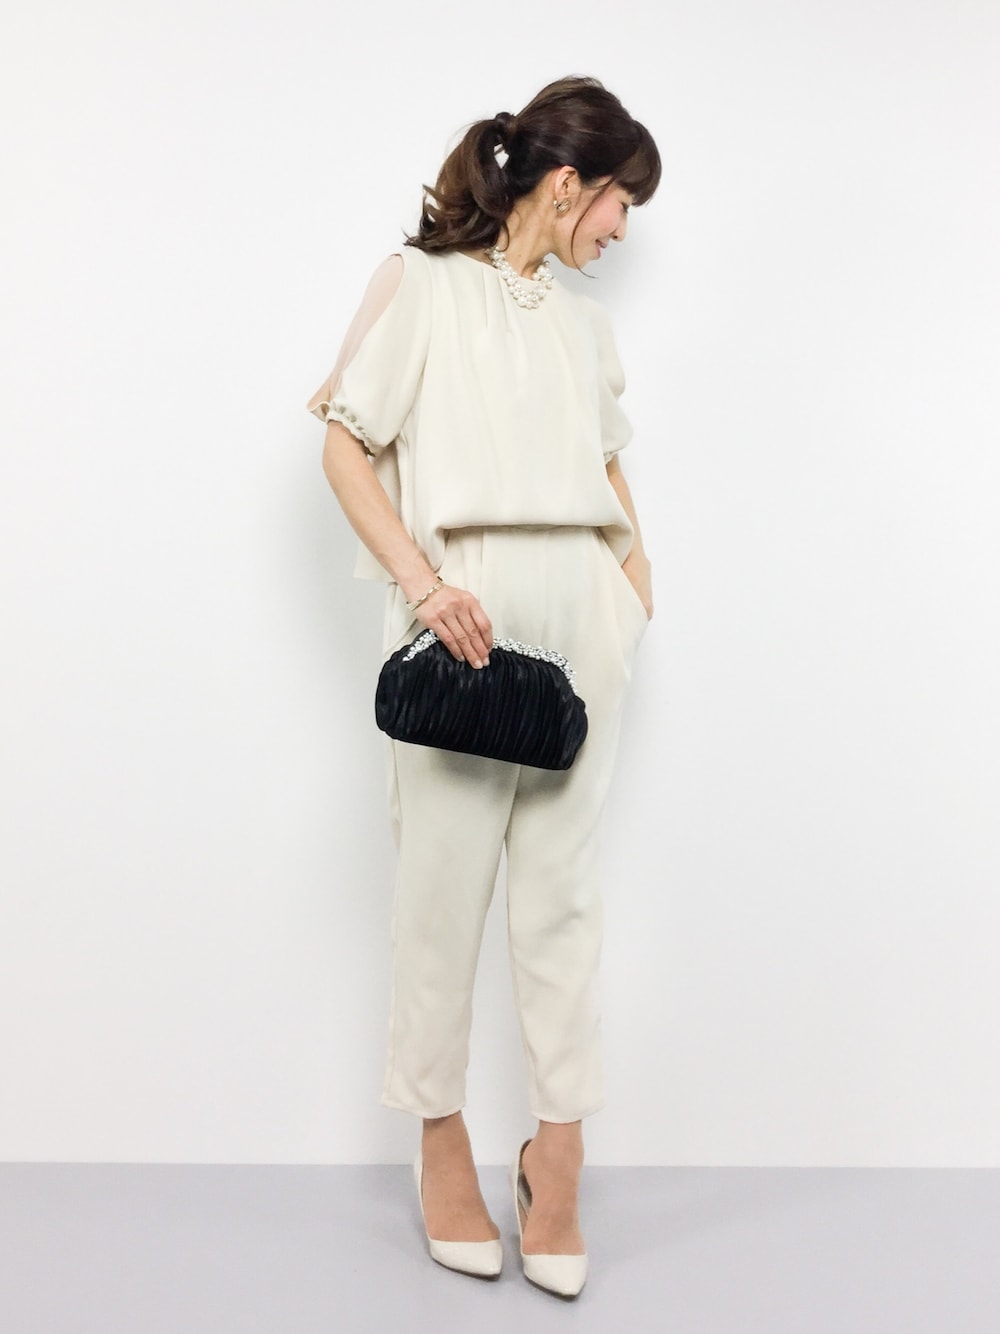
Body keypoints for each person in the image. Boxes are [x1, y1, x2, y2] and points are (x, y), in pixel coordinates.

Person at [307, 75, 660, 1298]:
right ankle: (439, 1137)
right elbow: (343, 443)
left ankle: (557, 1152)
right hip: (465, 624)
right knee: (440, 894)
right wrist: (421, 584)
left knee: (563, 899)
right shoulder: (423, 288)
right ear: (568, 185)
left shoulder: (585, 326)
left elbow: (608, 464)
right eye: (619, 203)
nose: (622, 230)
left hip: (583, 620)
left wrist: (633, 585)